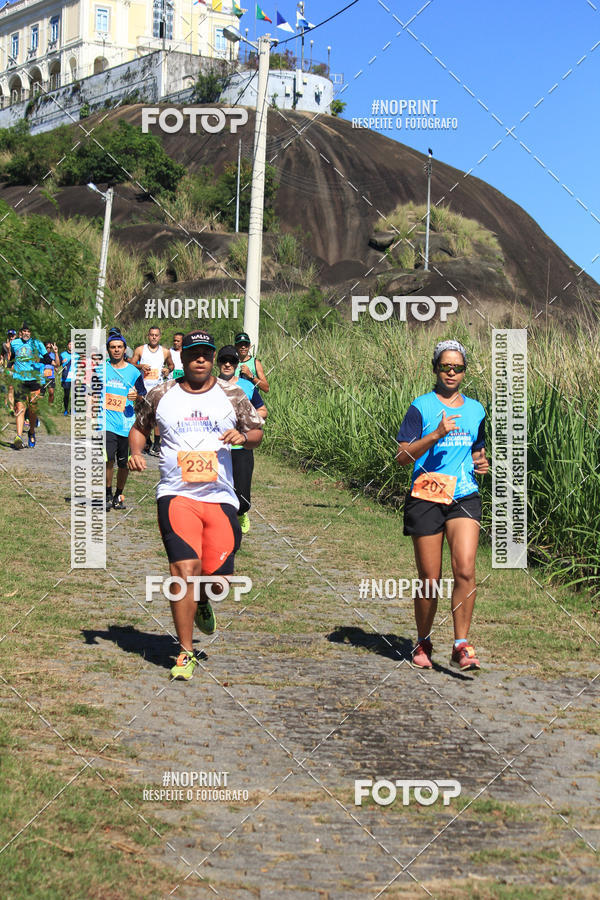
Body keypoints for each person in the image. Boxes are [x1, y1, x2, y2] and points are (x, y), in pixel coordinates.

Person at [128, 330, 264, 681]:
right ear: (184, 359)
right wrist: (136, 452)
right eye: (194, 354)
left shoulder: (232, 393)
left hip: (219, 497)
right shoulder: (162, 392)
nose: (200, 360)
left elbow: (257, 432)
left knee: (218, 583)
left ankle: (203, 598)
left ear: (213, 358)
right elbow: (140, 427)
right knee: (183, 571)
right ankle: (185, 651)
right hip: (176, 495)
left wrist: (242, 437)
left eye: (206, 354)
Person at [396, 340, 488, 672]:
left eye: (458, 367)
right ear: (435, 368)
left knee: (465, 569)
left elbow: (476, 446)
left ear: (464, 371)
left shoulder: (477, 409)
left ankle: (461, 645)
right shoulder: (420, 407)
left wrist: (481, 461)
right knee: (429, 578)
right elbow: (402, 457)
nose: (452, 372)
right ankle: (422, 640)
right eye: (446, 366)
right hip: (427, 497)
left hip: (464, 496)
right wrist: (435, 435)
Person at [217, 344, 267, 535]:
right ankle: (222, 523)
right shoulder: (211, 384)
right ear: (218, 363)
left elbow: (263, 410)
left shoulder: (246, 386)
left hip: (242, 447)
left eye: (232, 361)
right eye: (224, 361)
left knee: (243, 496)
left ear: (237, 364)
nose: (228, 364)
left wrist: (248, 420)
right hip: (218, 447)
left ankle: (242, 512)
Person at [98, 332, 146, 510]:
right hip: (106, 422)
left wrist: (137, 396)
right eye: (113, 347)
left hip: (126, 423)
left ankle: (119, 494)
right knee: (108, 458)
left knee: (123, 462)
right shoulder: (101, 369)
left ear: (125, 349)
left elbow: (143, 396)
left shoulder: (133, 372)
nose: (116, 350)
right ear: (108, 350)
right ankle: (107, 493)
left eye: (119, 347)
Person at [8, 323, 53, 449]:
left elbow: (46, 358)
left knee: (33, 409)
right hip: (20, 380)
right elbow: (12, 358)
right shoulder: (14, 343)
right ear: (21, 332)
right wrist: (8, 368)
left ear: (30, 333)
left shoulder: (37, 343)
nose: (26, 333)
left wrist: (52, 361)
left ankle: (31, 431)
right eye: (24, 331)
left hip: (34, 380)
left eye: (28, 331)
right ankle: (18, 437)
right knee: (19, 408)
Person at [131, 326, 173, 455]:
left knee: (156, 417)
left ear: (160, 336)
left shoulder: (165, 352)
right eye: (151, 335)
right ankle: (147, 441)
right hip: (142, 388)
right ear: (148, 336)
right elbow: (131, 364)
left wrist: (168, 370)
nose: (154, 337)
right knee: (143, 416)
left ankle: (156, 445)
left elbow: (171, 365)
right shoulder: (140, 350)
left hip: (158, 389)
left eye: (156, 335)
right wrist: (140, 366)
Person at [1, 329, 16, 412]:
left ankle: (11, 408)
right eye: (9, 335)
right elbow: (2, 355)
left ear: (15, 336)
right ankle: (6, 404)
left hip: (14, 369)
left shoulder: (17, 345)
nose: (11, 337)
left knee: (11, 388)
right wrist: (1, 360)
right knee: (5, 388)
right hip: (6, 368)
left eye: (12, 335)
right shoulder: (4, 345)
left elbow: (13, 356)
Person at [60, 340, 76, 415]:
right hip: (66, 378)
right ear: (67, 345)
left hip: (74, 378)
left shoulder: (77, 356)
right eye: (70, 344)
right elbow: (57, 364)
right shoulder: (63, 354)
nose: (71, 346)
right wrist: (62, 362)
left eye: (72, 345)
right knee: (66, 395)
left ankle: (73, 409)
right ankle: (66, 410)